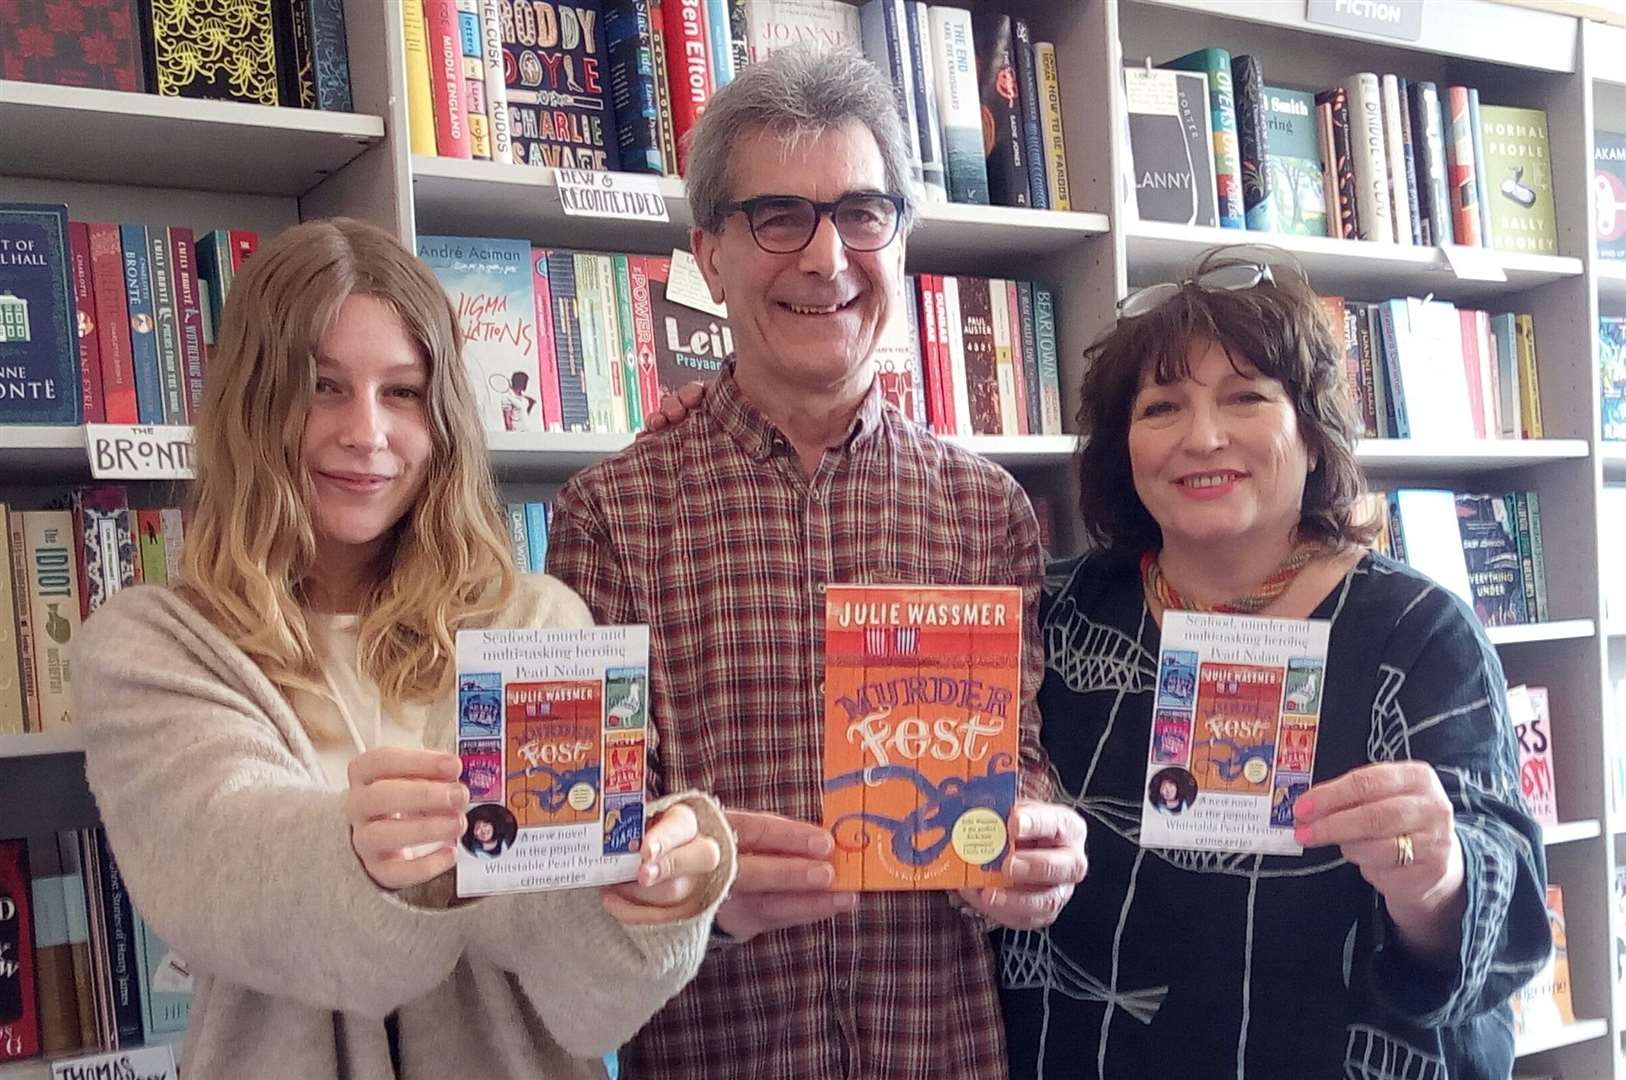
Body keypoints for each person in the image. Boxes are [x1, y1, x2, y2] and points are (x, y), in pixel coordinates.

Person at [69, 218, 737, 1079]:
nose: (367, 432)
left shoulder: (534, 625)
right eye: (322, 387)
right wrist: (366, 859)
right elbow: (222, 870)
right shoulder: (153, 649)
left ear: (444, 415)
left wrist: (644, 901)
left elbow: (583, 1007)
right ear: (252, 405)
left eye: (404, 392)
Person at [547, 46, 1088, 1080]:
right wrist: (690, 885)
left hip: (944, 1050)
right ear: (708, 252)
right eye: (779, 216)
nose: (826, 258)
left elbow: (1016, 752)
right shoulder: (609, 515)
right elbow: (582, 836)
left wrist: (1032, 836)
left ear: (900, 240)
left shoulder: (988, 513)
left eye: (860, 213)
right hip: (717, 1050)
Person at [995, 248, 1550, 1078]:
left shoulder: (1417, 633)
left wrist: (1437, 878)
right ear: (1124, 447)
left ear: (1313, 432)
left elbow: (1505, 932)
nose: (1202, 437)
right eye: (1161, 408)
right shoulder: (1057, 615)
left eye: (1246, 397)